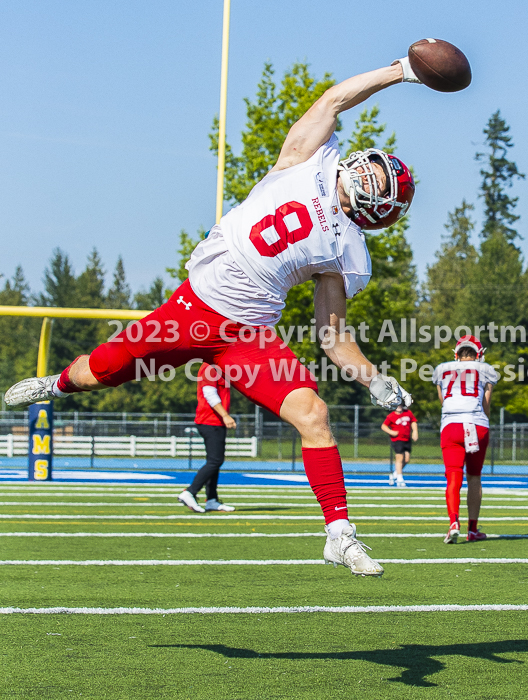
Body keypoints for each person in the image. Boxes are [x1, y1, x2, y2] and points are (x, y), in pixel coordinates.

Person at [6, 51, 427, 577]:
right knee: (101, 372)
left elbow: (332, 337)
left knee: (313, 415)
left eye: (378, 177)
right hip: (192, 310)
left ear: (376, 205)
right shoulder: (306, 158)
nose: (368, 170)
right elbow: (337, 98)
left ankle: (339, 534)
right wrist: (401, 72)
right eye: (375, 167)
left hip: (248, 335)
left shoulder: (347, 251)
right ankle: (58, 386)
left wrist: (374, 379)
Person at [432, 335, 499, 544]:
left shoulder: (441, 369)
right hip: (476, 424)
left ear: (456, 353)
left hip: (451, 426)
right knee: (474, 477)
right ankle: (472, 529)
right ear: (479, 354)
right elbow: (485, 404)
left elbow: (443, 401)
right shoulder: (487, 369)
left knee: (453, 477)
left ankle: (454, 523)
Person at [178, 362, 237, 513]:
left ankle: (211, 499)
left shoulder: (218, 366)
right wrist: (225, 415)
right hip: (210, 421)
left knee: (214, 462)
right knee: (215, 461)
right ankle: (190, 492)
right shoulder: (210, 367)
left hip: (214, 421)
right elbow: (209, 393)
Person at [381, 403, 418, 487]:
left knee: (406, 459)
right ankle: (400, 479)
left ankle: (394, 474)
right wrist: (391, 432)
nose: (399, 407)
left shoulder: (408, 413)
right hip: (397, 439)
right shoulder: (391, 416)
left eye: (400, 405)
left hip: (407, 439)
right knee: (399, 458)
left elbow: (413, 422)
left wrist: (415, 432)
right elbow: (383, 426)